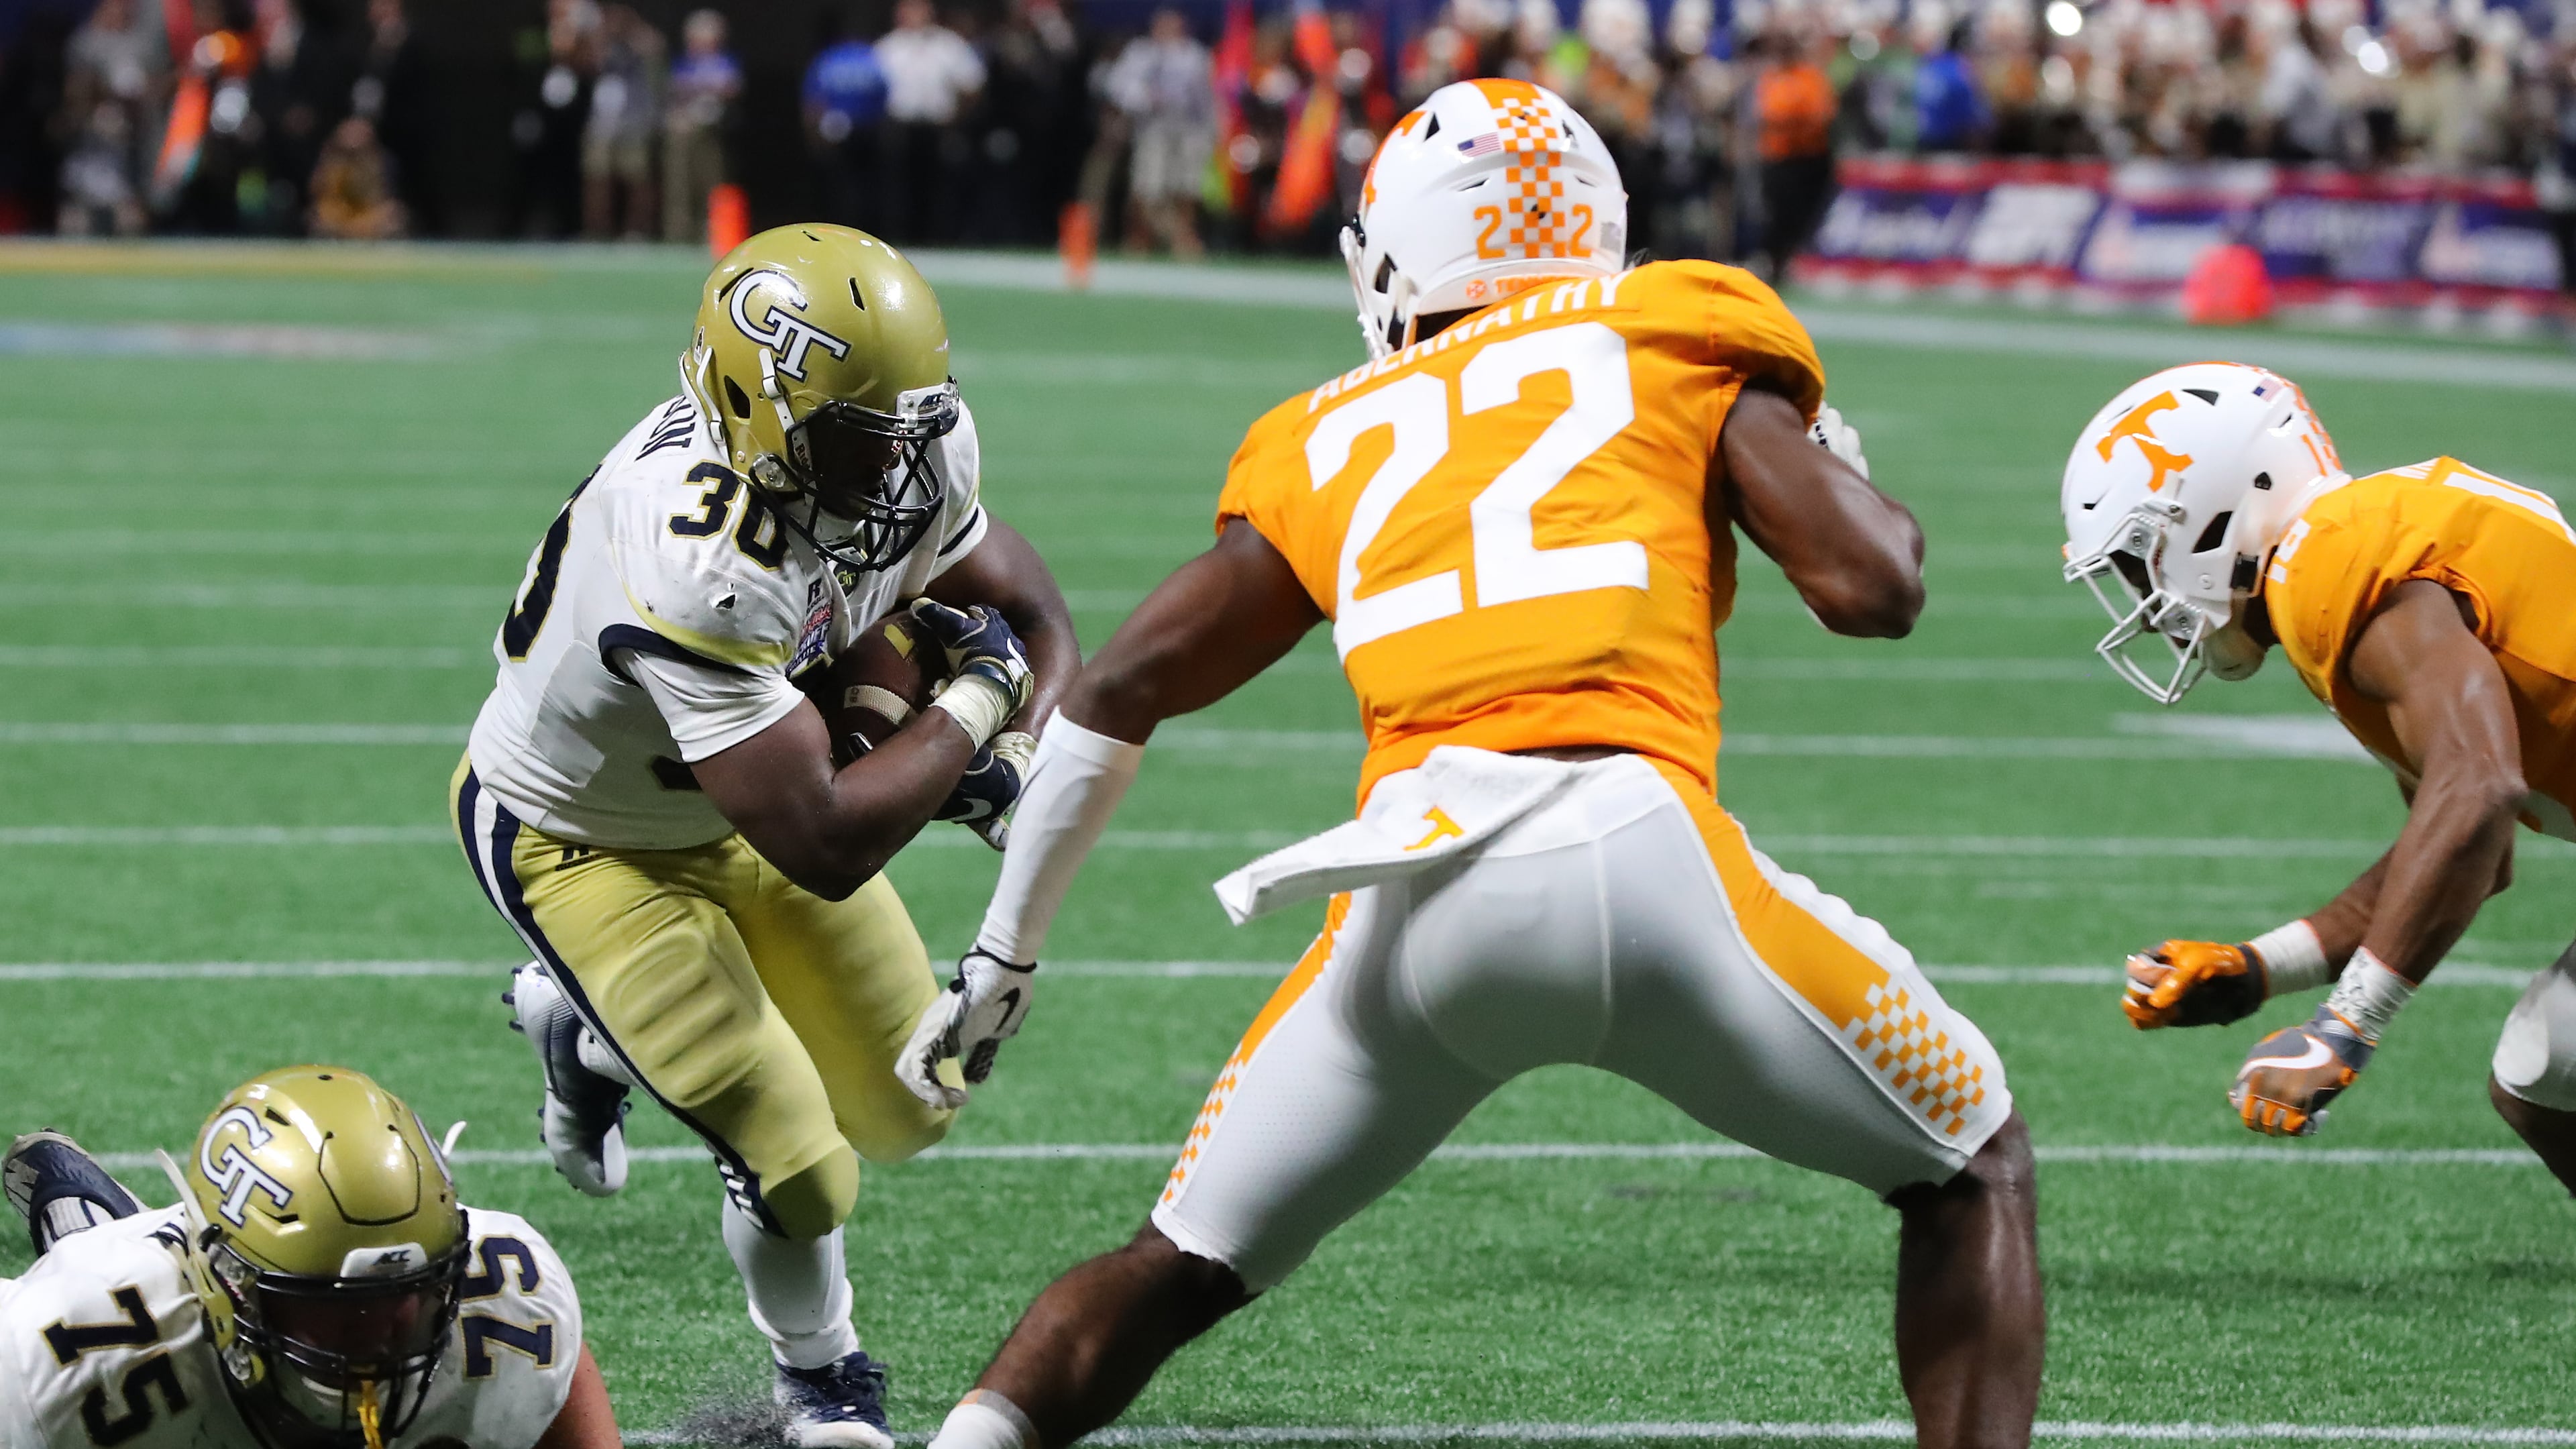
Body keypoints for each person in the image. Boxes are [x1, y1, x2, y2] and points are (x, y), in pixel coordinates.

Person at [904, 79, 2042, 1449]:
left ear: (1399, 256)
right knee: (1972, 1162)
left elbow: (1126, 684)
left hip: (1410, 891)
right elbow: (1875, 588)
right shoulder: (1674, 328)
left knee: (1177, 1265)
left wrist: (1002, 958)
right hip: (1639, 849)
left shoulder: (1329, 427)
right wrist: (1837, 473)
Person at [454, 224, 1076, 1449]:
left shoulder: (912, 446)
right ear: (753, 403)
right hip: (588, 834)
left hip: (757, 783)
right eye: (857, 442)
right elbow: (829, 839)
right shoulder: (693, 546)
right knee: (798, 1163)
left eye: (906, 433)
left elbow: (1036, 615)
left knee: (914, 1099)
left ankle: (591, 1037)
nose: (895, 472)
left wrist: (1010, 749)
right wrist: (970, 710)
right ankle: (821, 1379)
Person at [2063, 364, 2576, 1182]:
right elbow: (2468, 854)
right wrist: (2261, 969)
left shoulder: (2330, 570)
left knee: (2547, 1069)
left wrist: (2347, 1026)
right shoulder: (2348, 547)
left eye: (2141, 560)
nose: (2148, 598)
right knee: (2550, 1072)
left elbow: (2480, 791)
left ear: (2213, 509)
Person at [0, 1066, 614, 1449]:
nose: (384, 1334)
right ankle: (91, 1229)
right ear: (226, 1283)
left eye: (413, 1292)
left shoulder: (506, 1295)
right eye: (333, 1306)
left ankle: (97, 1219)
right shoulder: (53, 1359)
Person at [1104, 8, 1215, 258]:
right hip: (1152, 129)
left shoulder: (1195, 55)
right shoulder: (1141, 53)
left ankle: (1174, 240)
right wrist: (1144, 97)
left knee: (1184, 188)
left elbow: (1207, 97)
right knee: (1147, 188)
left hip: (1188, 130)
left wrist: (1211, 130)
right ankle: (1164, 239)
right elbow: (1117, 86)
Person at [873, 0, 985, 243]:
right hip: (900, 127)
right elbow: (874, 89)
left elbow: (973, 85)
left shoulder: (949, 45)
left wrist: (957, 117)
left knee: (939, 188)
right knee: (898, 187)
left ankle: (938, 240)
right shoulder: (887, 48)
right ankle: (900, 239)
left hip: (937, 129)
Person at [582, 3, 664, 239]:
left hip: (633, 120)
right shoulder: (600, 42)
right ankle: (597, 230)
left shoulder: (641, 41)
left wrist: (632, 30)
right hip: (602, 121)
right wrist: (601, 35)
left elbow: (655, 49)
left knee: (637, 177)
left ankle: (637, 229)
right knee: (597, 177)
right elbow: (585, 62)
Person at [804, 9, 889, 234]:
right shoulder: (870, 57)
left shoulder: (830, 58)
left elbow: (814, 102)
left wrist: (814, 136)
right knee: (864, 186)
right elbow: (886, 95)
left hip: (840, 131)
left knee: (841, 186)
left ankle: (839, 228)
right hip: (867, 130)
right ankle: (863, 230)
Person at [308, 113, 406, 238]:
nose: (354, 138)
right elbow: (316, 193)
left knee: (394, 216)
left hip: (370, 213)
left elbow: (388, 197)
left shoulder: (384, 161)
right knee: (319, 217)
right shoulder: (329, 160)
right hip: (338, 214)